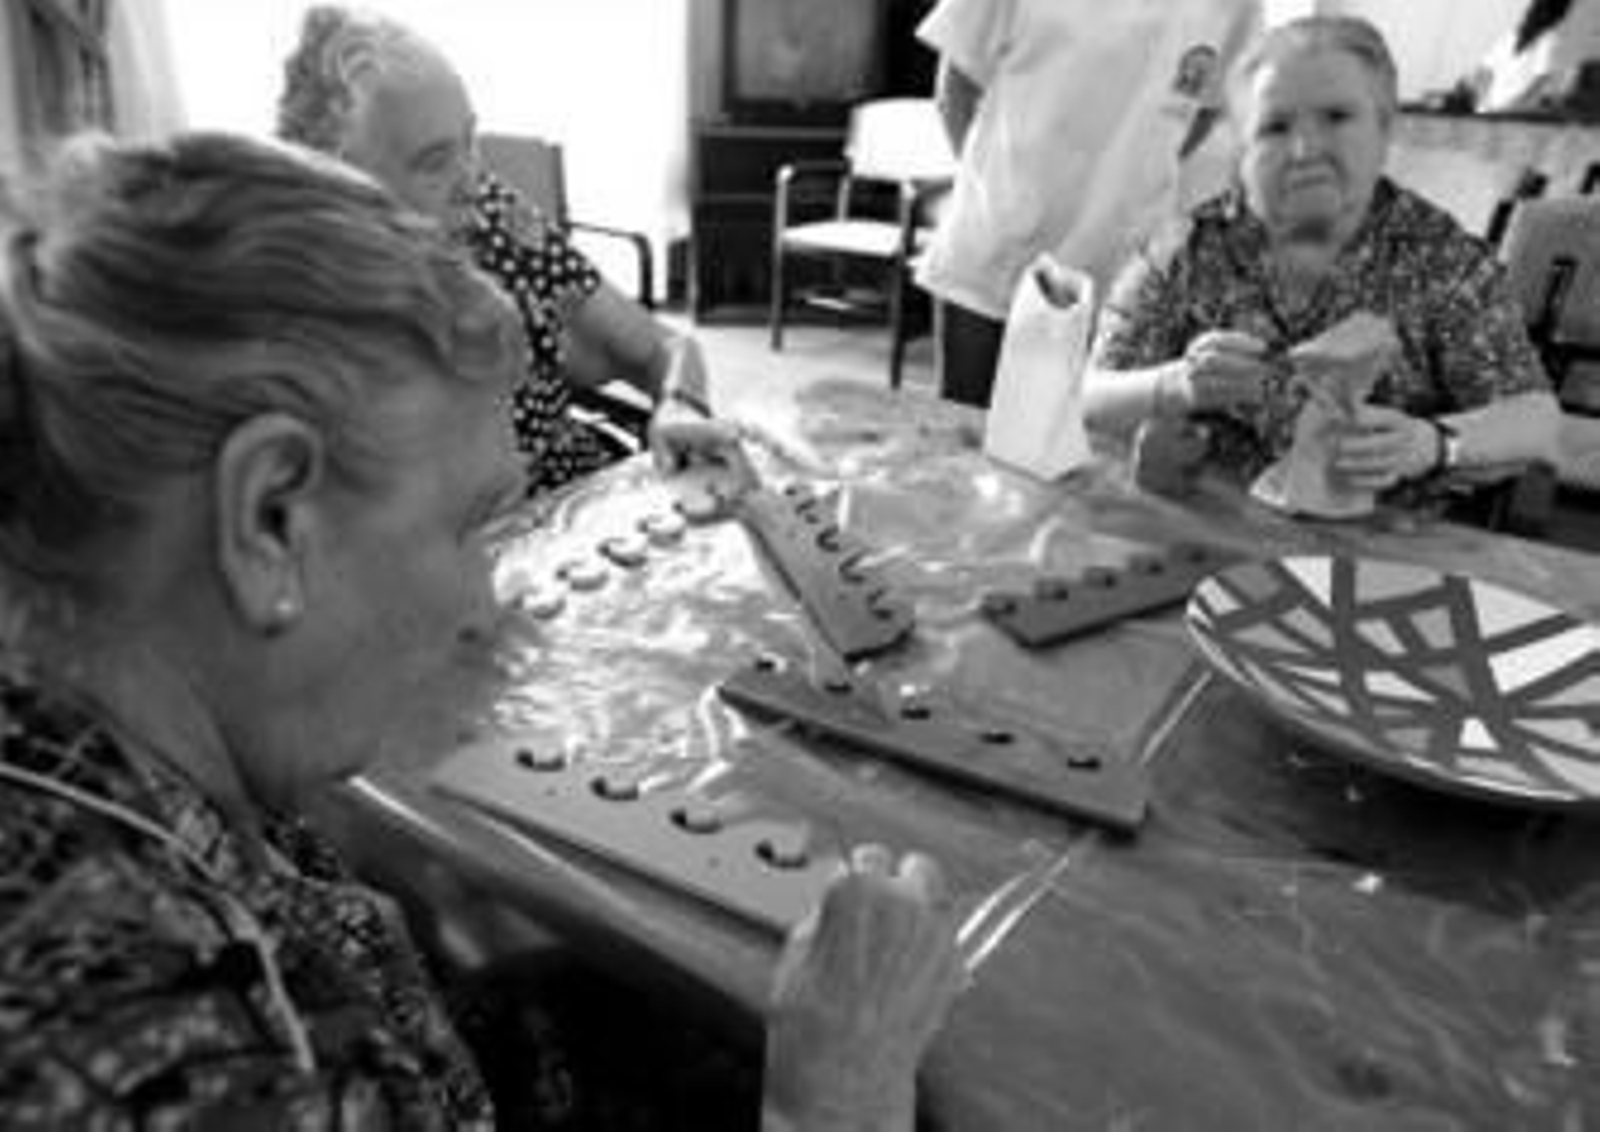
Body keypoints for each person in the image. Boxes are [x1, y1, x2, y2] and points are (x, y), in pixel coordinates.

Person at [0, 131, 965, 1129]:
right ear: (268, 519)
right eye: (468, 527)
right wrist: (830, 1096)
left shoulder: (91, 711)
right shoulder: (166, 1060)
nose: (482, 600)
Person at [1083, 15, 1563, 501]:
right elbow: (1088, 398)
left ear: (1383, 129)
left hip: (1379, 549)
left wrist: (1433, 444)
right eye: (1274, 126)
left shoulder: (1440, 260)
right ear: (1242, 152)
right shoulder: (1188, 249)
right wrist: (1175, 384)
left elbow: (1536, 418)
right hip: (1214, 527)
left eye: (1336, 117)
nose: (1304, 149)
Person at [277, 5, 739, 497]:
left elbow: (665, 347)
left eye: (469, 141)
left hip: (571, 507)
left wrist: (678, 406)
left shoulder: (496, 223)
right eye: (434, 162)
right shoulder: (291, 318)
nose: (472, 182)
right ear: (335, 184)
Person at [913, 0, 1262, 408]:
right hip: (994, 255)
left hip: (1116, 274)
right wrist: (1000, 194)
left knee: (1062, 453)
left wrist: (1127, 181)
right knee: (964, 439)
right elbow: (956, 86)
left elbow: (1203, 112)